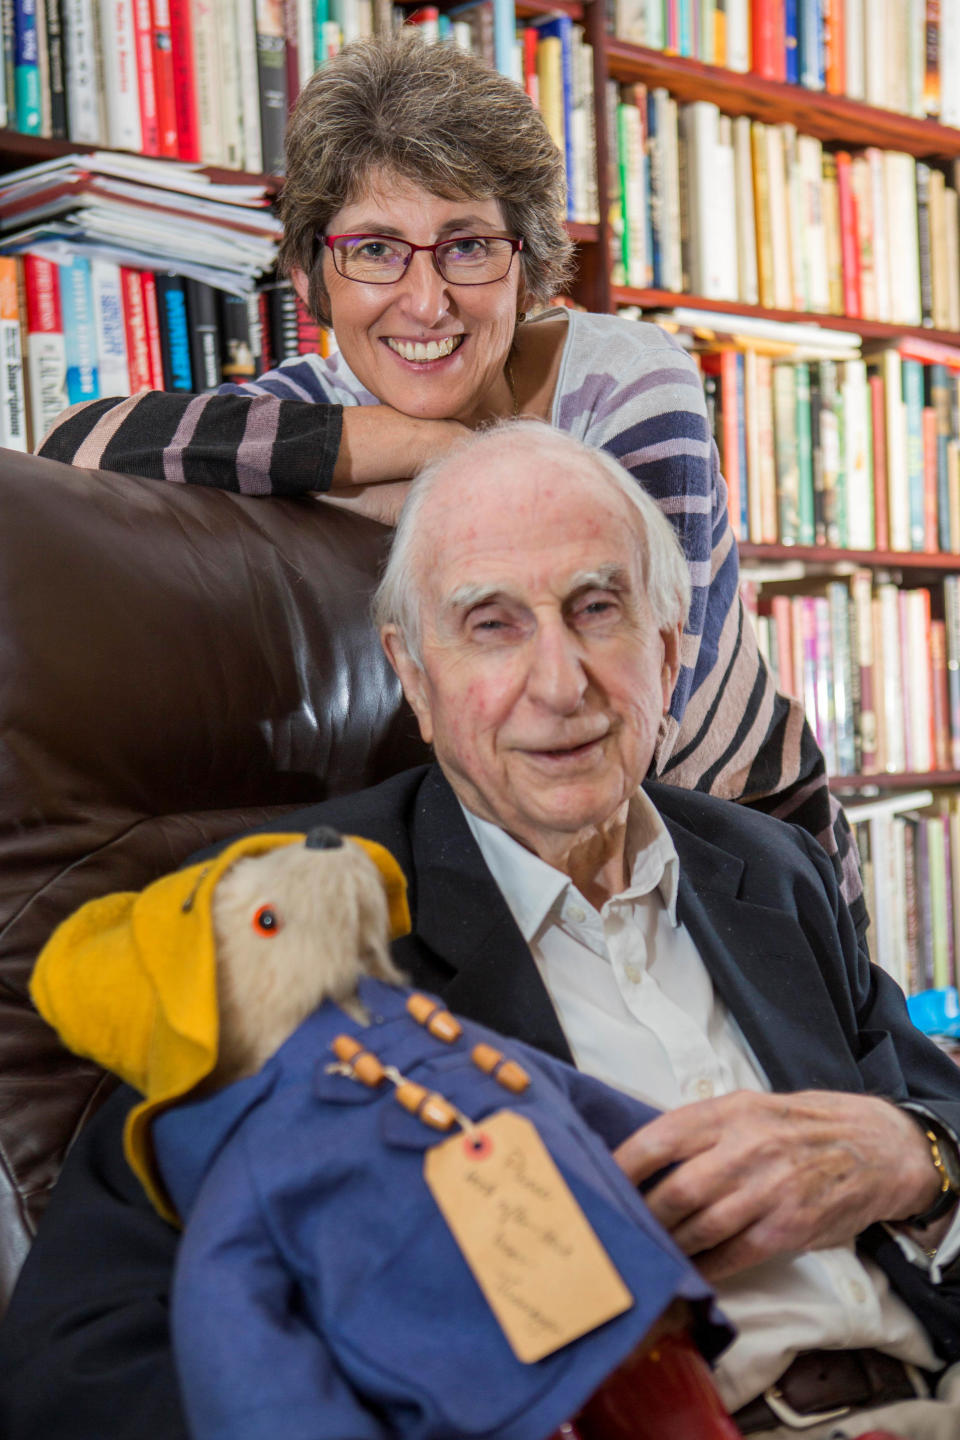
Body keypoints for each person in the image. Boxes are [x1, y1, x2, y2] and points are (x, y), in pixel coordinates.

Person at [4, 420, 960, 1440]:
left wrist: (915, 1157)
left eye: (598, 610)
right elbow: (81, 1358)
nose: (561, 685)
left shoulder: (772, 866)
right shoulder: (289, 920)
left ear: (670, 653)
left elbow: (932, 1104)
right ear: (413, 676)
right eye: (492, 625)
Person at [37, 31, 864, 945]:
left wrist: (434, 463)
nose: (425, 302)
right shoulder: (323, 409)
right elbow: (79, 445)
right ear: (314, 272)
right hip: (519, 860)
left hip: (746, 851)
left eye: (467, 246)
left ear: (529, 262)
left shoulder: (632, 378)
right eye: (376, 249)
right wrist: (410, 442)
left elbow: (630, 722)